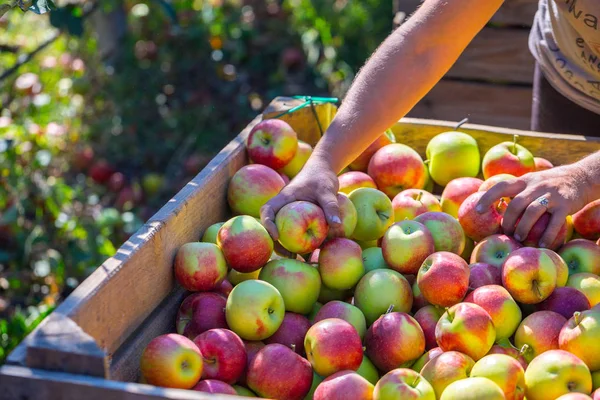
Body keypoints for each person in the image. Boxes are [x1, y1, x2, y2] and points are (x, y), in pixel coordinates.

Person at [260, 0, 600, 247]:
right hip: (573, 76)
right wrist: (325, 160)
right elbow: (424, 46)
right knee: (553, 222)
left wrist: (583, 177)